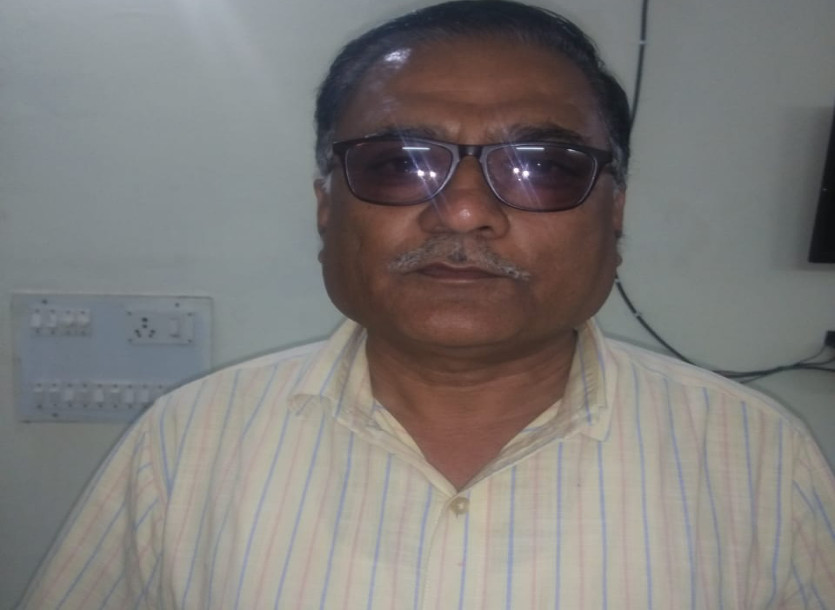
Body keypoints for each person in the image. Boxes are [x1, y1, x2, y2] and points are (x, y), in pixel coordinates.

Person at [19, 1, 835, 608]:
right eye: (399, 163)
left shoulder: (756, 457)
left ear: (612, 211)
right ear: (326, 207)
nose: (464, 211)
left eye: (540, 167)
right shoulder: (187, 443)